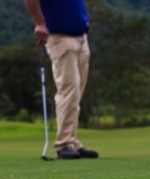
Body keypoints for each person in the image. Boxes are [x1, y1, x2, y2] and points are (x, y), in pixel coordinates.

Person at [24, 0, 99, 159]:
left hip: (80, 35)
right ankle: (63, 143)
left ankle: (72, 140)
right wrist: (39, 23)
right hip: (59, 35)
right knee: (68, 88)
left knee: (77, 91)